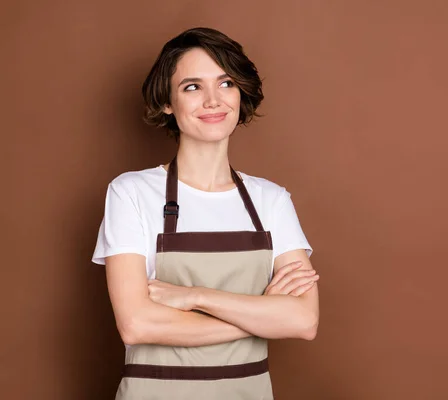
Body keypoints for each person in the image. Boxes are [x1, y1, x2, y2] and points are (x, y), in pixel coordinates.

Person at [91, 27, 320, 400]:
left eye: (226, 83)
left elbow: (304, 320)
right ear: (167, 102)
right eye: (192, 87)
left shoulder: (271, 201)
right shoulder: (130, 192)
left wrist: (195, 297)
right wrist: (263, 316)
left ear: (240, 93)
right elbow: (136, 324)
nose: (213, 100)